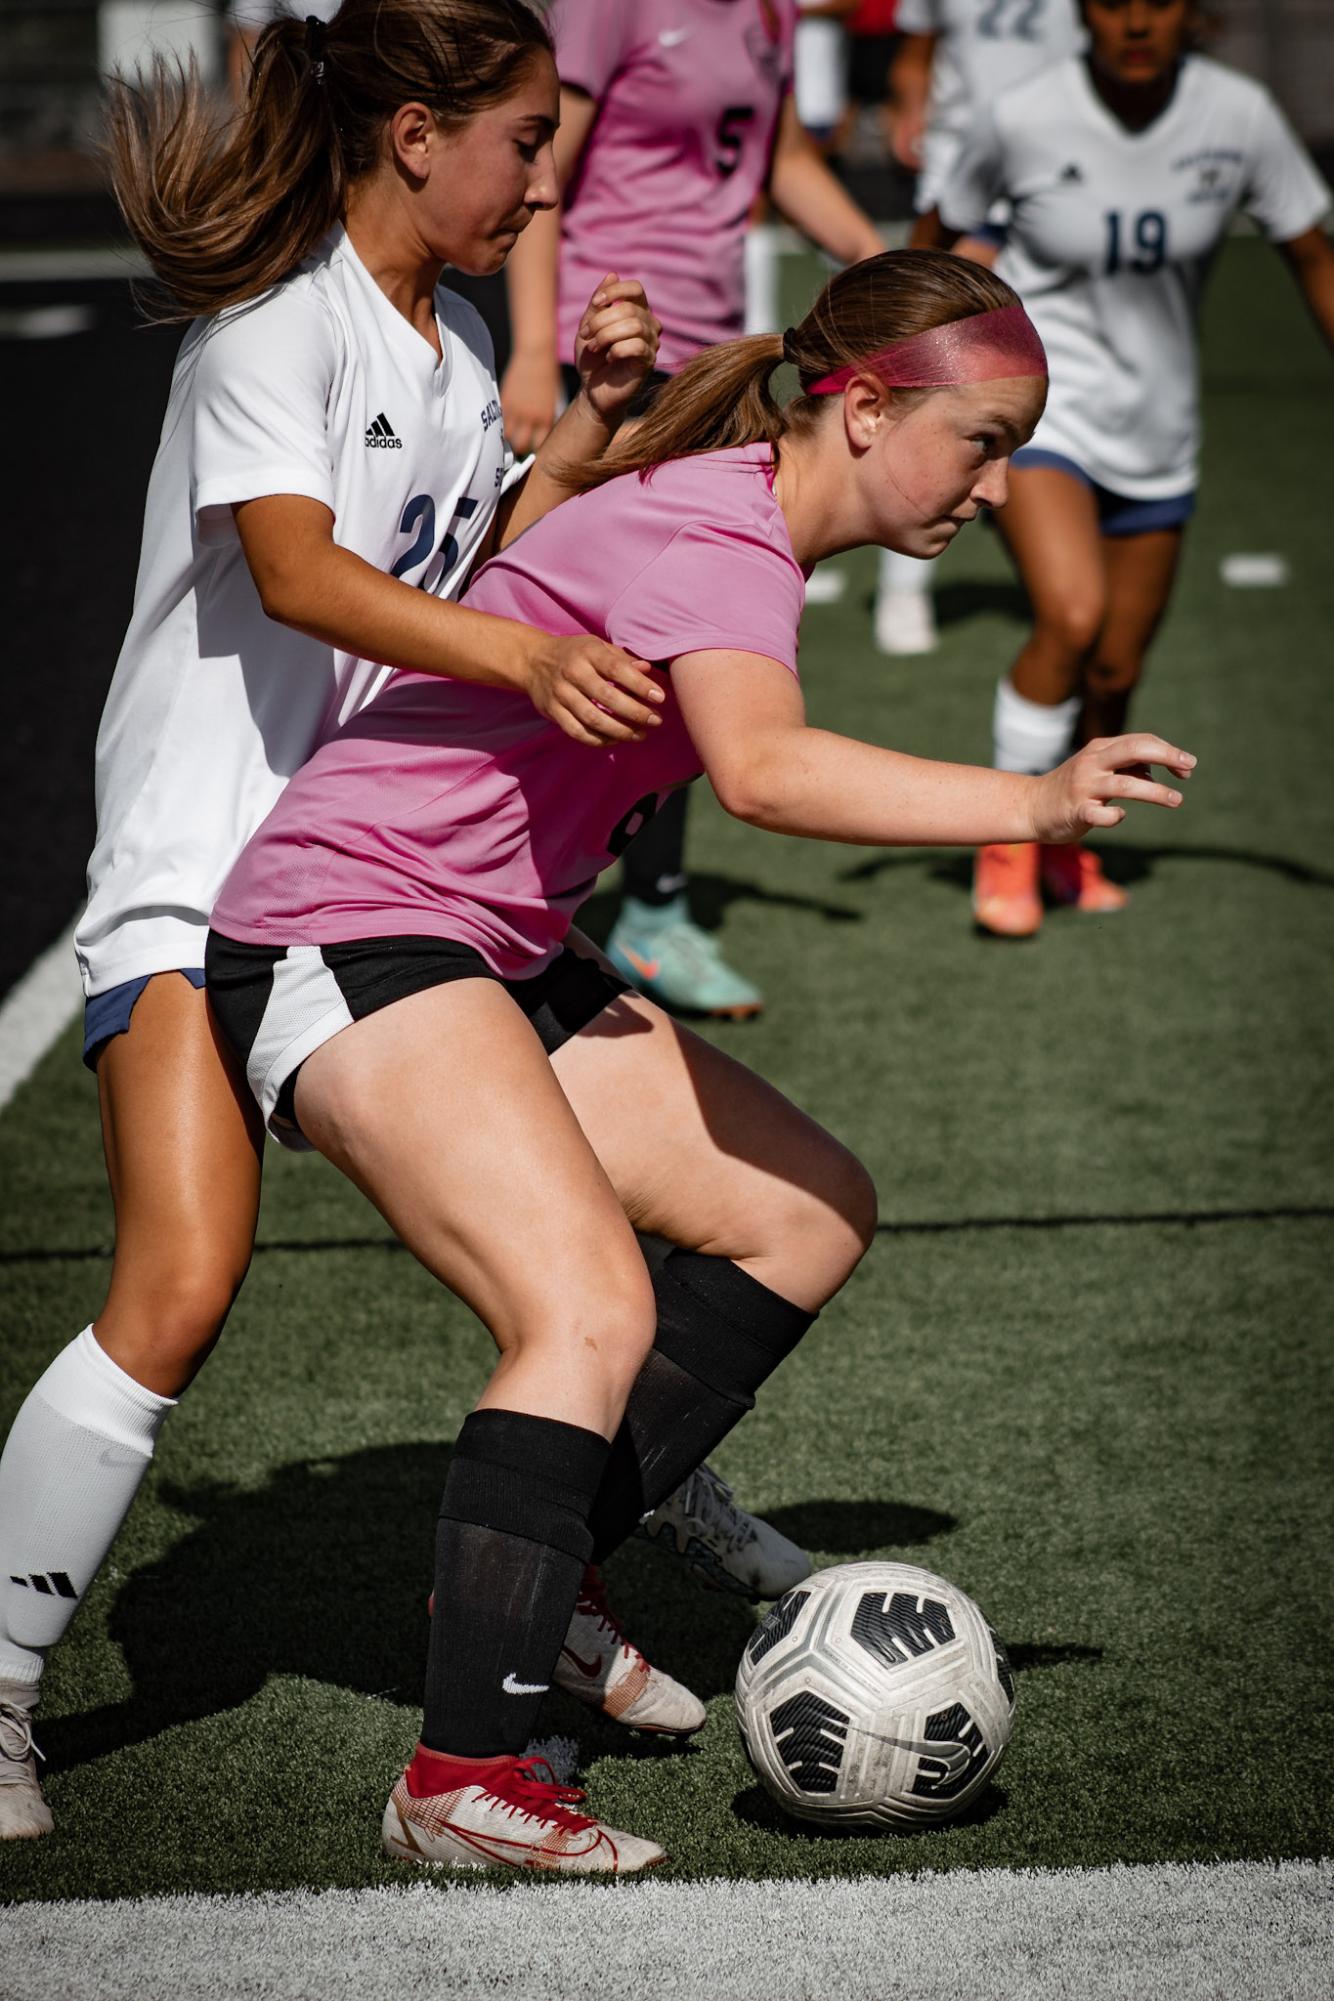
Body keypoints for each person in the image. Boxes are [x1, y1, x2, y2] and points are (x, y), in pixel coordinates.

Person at [203, 247, 1196, 1873]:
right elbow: (767, 774)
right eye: (982, 440)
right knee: (583, 1307)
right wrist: (1028, 801)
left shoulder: (739, 509)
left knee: (804, 1210)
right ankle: (460, 1776)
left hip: (482, 941)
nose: (997, 483)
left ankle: (543, 1579)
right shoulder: (724, 530)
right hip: (349, 925)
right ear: (866, 411)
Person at [0, 0, 758, 1846]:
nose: (542, 177)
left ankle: (546, 1591)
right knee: (179, 1287)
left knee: (632, 1254)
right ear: (412, 135)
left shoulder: (456, 338)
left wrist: (576, 444)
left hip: (367, 886)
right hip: (202, 881)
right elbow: (298, 571)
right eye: (518, 141)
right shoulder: (276, 327)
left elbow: (468, 562)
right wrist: (527, 652)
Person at [501, 0, 884, 1022]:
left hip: (715, 365)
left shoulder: (768, 7)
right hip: (619, 354)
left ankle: (643, 909)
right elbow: (541, 172)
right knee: (589, 642)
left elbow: (777, 155)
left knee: (683, 652)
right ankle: (541, 889)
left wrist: (878, 262)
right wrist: (537, 351)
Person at [940, 0, 1333, 937]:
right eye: (1114, 1)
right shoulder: (1023, 115)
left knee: (1116, 667)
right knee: (1071, 615)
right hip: (1046, 415)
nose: (1136, 22)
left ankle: (1070, 838)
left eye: (1157, 0)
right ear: (1085, 12)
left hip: (1159, 432)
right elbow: (943, 254)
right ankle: (1008, 847)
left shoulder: (1239, 117)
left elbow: (1313, 254)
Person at [878, 0, 1080, 655]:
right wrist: (910, 106)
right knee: (940, 385)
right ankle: (902, 583)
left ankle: (1058, 550)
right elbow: (918, 53)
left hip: (1059, 184)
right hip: (961, 179)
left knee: (1052, 382)